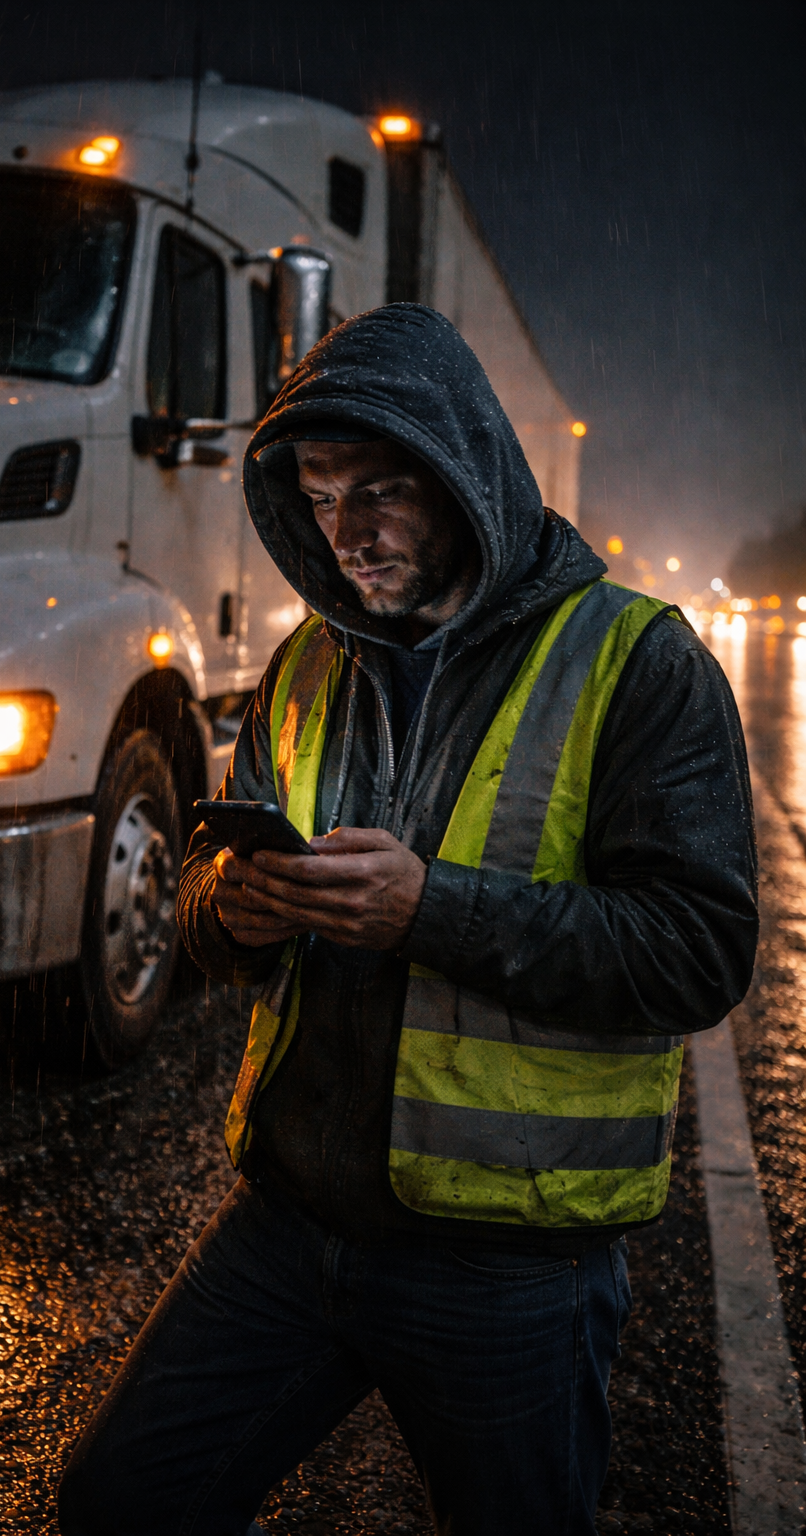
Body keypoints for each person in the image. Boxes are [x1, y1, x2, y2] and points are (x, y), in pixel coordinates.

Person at [58, 304, 757, 1536]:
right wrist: (240, 911)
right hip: (290, 1223)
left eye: (380, 489)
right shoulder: (303, 667)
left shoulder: (636, 662)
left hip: (507, 1265)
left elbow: (697, 954)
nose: (347, 534)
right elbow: (211, 927)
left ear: (466, 470)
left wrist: (429, 908)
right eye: (321, 499)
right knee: (120, 1501)